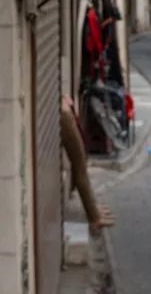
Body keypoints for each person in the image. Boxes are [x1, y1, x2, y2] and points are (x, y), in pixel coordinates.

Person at [61, 96, 115, 233]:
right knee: (80, 165)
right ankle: (94, 218)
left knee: (80, 164)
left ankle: (94, 210)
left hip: (65, 112)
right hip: (63, 116)